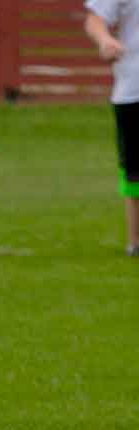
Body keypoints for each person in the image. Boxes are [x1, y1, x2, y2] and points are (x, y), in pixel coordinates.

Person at [85, 1, 139, 256]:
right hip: (134, 88)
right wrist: (104, 39)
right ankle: (136, 242)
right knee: (135, 175)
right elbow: (95, 19)